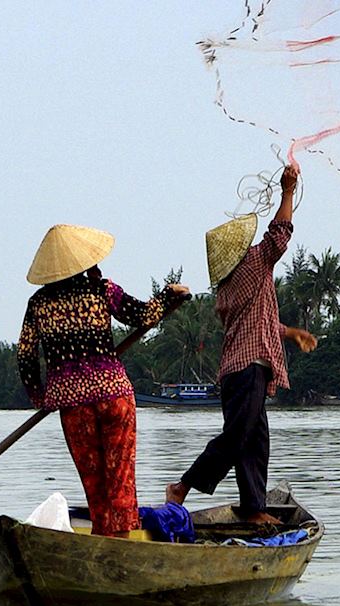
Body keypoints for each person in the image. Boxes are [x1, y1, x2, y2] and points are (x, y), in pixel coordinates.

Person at [16, 224, 189, 537]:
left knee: (95, 483)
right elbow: (143, 315)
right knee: (120, 478)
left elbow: (25, 357)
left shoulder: (39, 304)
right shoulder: (102, 290)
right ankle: (119, 541)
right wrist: (168, 295)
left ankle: (104, 538)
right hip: (114, 396)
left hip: (73, 404)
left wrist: (38, 396)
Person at [165, 165, 316, 525]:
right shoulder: (251, 265)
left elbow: (259, 322)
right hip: (247, 370)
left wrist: (289, 332)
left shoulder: (228, 287)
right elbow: (280, 236)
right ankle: (182, 487)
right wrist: (288, 191)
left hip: (243, 370)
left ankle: (252, 507)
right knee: (237, 437)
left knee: (254, 441)